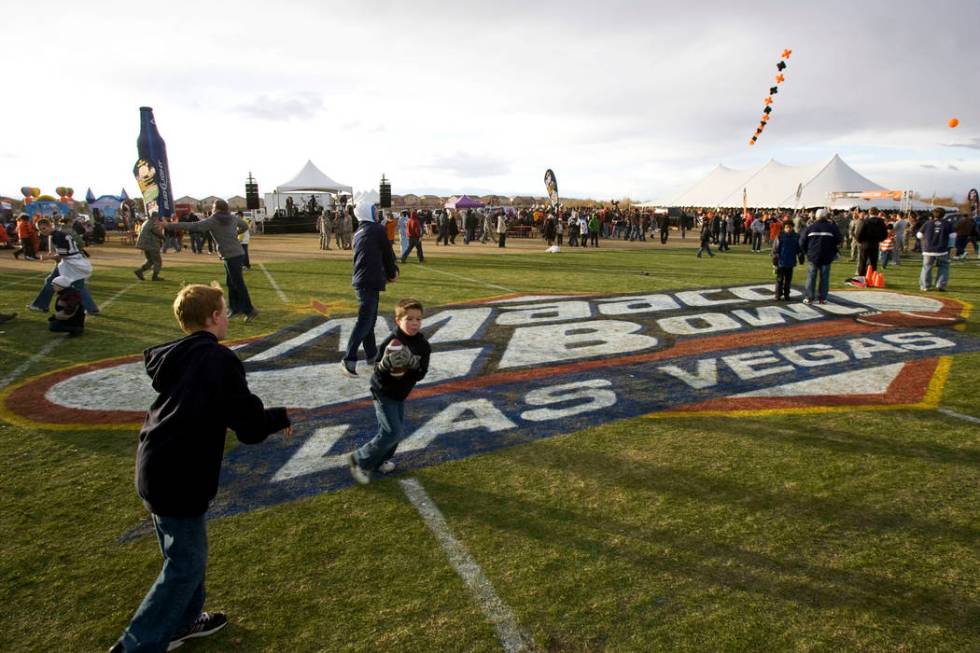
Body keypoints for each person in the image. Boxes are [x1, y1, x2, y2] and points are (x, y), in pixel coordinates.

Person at [109, 283, 291, 653]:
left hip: (156, 464)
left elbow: (214, 407)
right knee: (185, 566)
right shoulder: (216, 359)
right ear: (212, 317)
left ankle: (182, 623)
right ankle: (135, 646)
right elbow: (249, 426)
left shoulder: (182, 355)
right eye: (223, 311)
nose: (227, 318)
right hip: (179, 473)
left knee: (186, 555)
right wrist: (279, 417)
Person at [346, 297, 431, 484]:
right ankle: (359, 459)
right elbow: (379, 373)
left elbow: (421, 374)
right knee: (392, 432)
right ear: (397, 320)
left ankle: (380, 461)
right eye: (409, 319)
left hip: (400, 394)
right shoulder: (391, 342)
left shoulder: (423, 346)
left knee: (395, 431)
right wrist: (385, 366)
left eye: (418, 319)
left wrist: (412, 365)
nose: (414, 323)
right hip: (383, 393)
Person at [166, 200, 258, 322]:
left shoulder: (214, 220)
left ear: (217, 209)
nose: (212, 209)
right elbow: (245, 226)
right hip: (235, 254)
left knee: (238, 283)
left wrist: (168, 225)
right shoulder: (231, 218)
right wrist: (235, 233)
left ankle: (249, 310)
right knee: (231, 283)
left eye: (214, 207)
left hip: (232, 255)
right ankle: (235, 308)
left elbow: (193, 226)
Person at [340, 194, 399, 377]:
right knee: (365, 321)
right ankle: (348, 359)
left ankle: (372, 355)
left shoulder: (359, 232)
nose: (376, 213)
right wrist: (392, 273)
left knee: (370, 321)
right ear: (367, 213)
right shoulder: (376, 229)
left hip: (363, 281)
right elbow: (387, 254)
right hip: (369, 281)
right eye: (373, 210)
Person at [29, 218, 100, 315]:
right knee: (75, 286)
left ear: (50, 226)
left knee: (57, 283)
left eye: (44, 228)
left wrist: (46, 258)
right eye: (40, 230)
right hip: (73, 262)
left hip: (71, 263)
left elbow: (63, 255)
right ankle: (92, 308)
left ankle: (41, 305)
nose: (42, 231)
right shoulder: (58, 234)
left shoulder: (56, 236)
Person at [799, 208, 843, 304]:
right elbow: (839, 239)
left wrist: (807, 252)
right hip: (827, 256)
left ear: (816, 217)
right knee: (824, 278)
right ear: (826, 216)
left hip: (813, 256)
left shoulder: (810, 227)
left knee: (811, 277)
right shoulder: (832, 227)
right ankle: (822, 298)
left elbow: (802, 242)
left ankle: (809, 298)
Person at [917, 208, 953, 292]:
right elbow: (953, 236)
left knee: (927, 267)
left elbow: (919, 235)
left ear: (933, 214)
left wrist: (927, 237)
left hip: (928, 250)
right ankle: (940, 284)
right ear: (944, 215)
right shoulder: (948, 224)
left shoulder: (927, 223)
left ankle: (925, 286)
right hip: (942, 250)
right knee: (943, 267)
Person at [772, 221, 804, 300]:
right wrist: (775, 260)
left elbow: (799, 249)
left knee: (788, 280)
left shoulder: (796, 236)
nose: (788, 229)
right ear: (784, 228)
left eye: (790, 227)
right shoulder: (780, 236)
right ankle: (778, 294)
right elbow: (775, 249)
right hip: (781, 261)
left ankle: (787, 294)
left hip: (791, 261)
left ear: (792, 227)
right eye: (787, 227)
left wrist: (801, 256)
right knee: (779, 279)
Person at [856, 208, 887, 276]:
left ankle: (861, 277)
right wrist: (880, 240)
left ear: (869, 213)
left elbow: (859, 233)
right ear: (877, 213)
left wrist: (860, 241)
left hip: (865, 243)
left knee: (862, 262)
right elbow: (885, 234)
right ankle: (872, 277)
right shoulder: (881, 222)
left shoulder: (865, 221)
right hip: (875, 244)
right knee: (873, 262)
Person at [134, 214, 165, 281]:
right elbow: (157, 232)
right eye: (157, 217)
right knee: (157, 261)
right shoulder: (151, 223)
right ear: (154, 217)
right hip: (151, 245)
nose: (157, 219)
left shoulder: (146, 222)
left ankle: (139, 271)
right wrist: (163, 238)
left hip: (145, 245)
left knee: (150, 260)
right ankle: (155, 276)